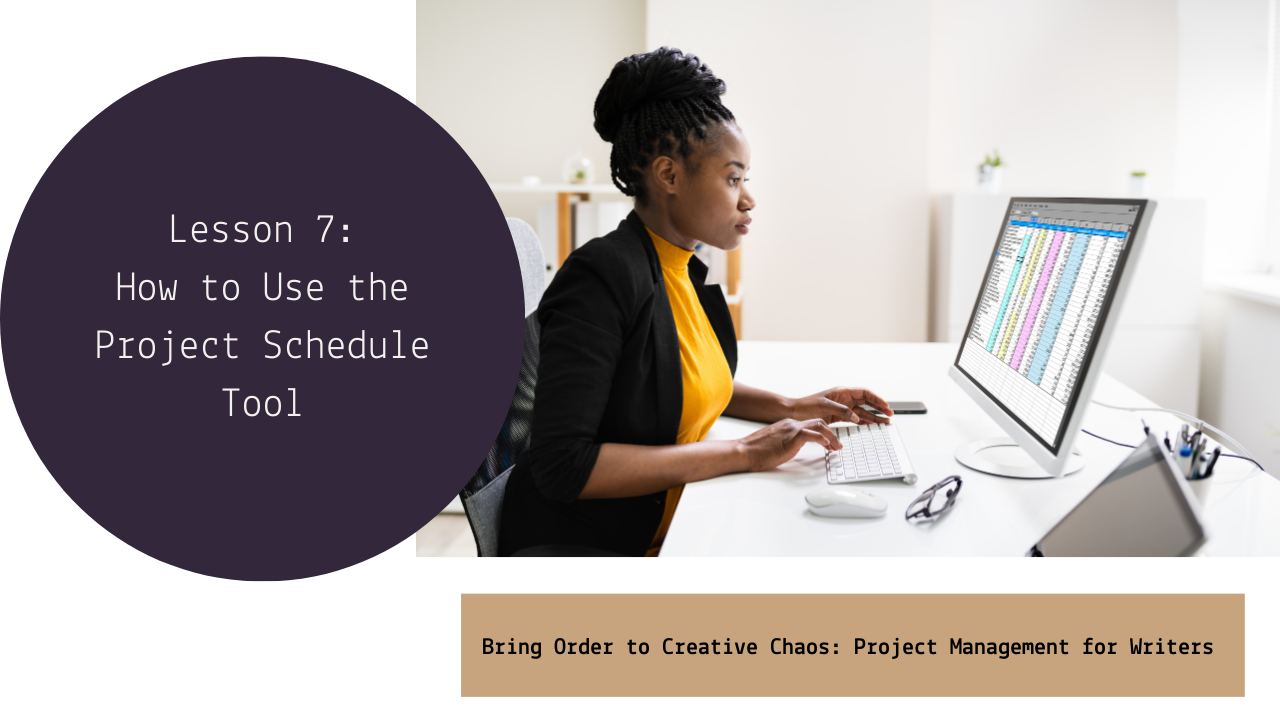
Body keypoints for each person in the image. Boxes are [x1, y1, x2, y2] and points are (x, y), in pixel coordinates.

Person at [498, 47, 893, 557]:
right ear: (668, 176)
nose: (748, 198)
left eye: (745, 179)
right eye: (733, 178)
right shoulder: (602, 277)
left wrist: (794, 405)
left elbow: (679, 385)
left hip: (677, 522)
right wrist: (743, 453)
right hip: (586, 548)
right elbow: (562, 465)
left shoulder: (681, 269)